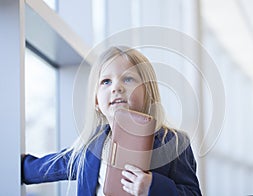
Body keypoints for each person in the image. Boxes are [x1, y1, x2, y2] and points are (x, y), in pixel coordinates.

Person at [22, 46, 202, 196]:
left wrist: (152, 187)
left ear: (148, 93)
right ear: (96, 101)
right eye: (106, 82)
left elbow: (192, 193)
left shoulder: (174, 142)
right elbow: (45, 168)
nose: (117, 87)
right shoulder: (92, 146)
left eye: (128, 79)